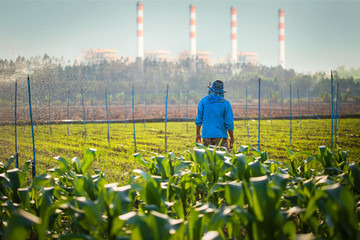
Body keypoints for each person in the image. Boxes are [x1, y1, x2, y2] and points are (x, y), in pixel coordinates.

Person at [195, 79, 234, 149]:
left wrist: (198, 134)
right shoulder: (226, 103)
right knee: (222, 159)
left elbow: (199, 119)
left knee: (209, 159)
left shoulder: (203, 101)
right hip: (221, 137)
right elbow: (229, 123)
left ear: (211, 90)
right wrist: (231, 138)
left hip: (207, 136)